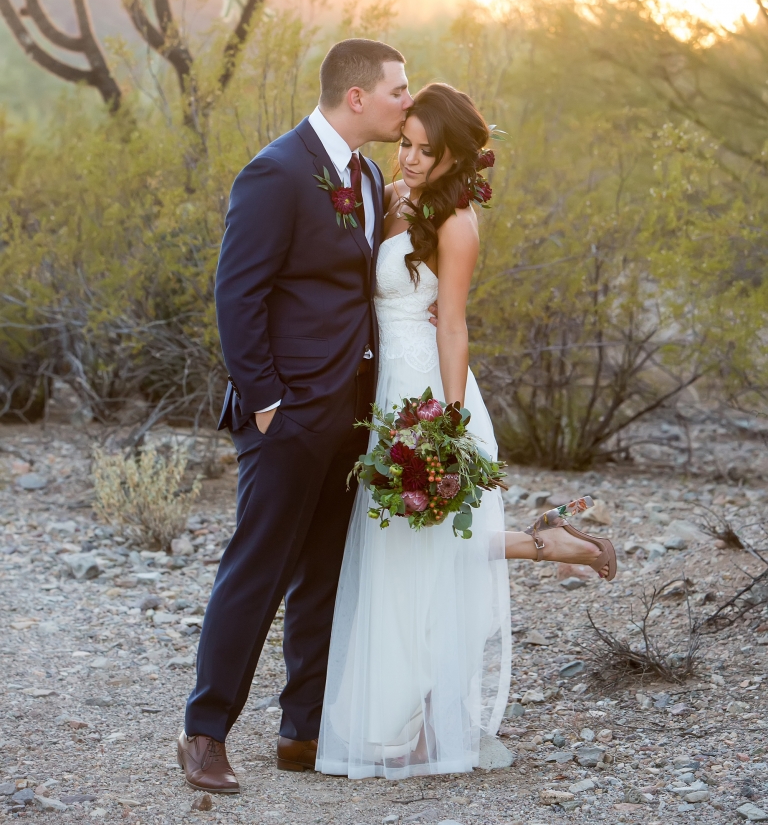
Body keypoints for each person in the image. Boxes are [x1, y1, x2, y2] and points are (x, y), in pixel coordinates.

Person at [316, 82, 615, 780]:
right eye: (406, 146)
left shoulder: (456, 224)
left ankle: (425, 718)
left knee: (420, 544)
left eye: (427, 151)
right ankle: (548, 544)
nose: (412, 160)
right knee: (399, 547)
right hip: (380, 389)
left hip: (425, 391)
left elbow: (452, 324)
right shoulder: (391, 201)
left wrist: (446, 427)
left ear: (455, 158)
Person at [178, 39, 413, 793]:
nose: (405, 103)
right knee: (257, 570)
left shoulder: (369, 175)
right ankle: (205, 734)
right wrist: (267, 401)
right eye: (397, 92)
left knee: (325, 574)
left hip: (354, 412)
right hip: (287, 413)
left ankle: (301, 732)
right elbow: (235, 294)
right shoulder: (275, 172)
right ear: (356, 97)